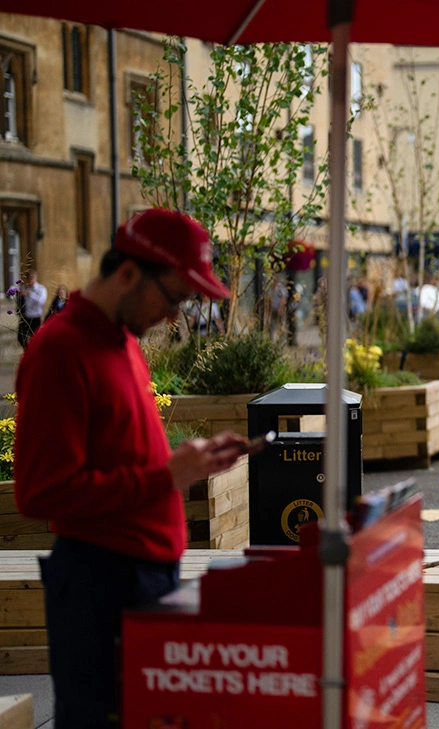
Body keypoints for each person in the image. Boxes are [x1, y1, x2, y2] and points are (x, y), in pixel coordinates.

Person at [14, 208, 248, 729]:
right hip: (102, 584)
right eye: (174, 298)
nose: (173, 317)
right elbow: (40, 493)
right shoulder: (61, 350)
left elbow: (124, 458)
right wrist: (167, 477)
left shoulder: (122, 340)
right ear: (127, 273)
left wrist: (189, 461)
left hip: (144, 576)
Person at [16, 271, 47, 349]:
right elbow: (20, 301)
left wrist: (31, 294)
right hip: (25, 317)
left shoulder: (41, 289)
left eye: (32, 278)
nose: (31, 280)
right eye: (29, 278)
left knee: (36, 338)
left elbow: (42, 301)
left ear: (36, 278)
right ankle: (27, 351)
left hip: (35, 317)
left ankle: (34, 352)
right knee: (21, 337)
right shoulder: (23, 288)